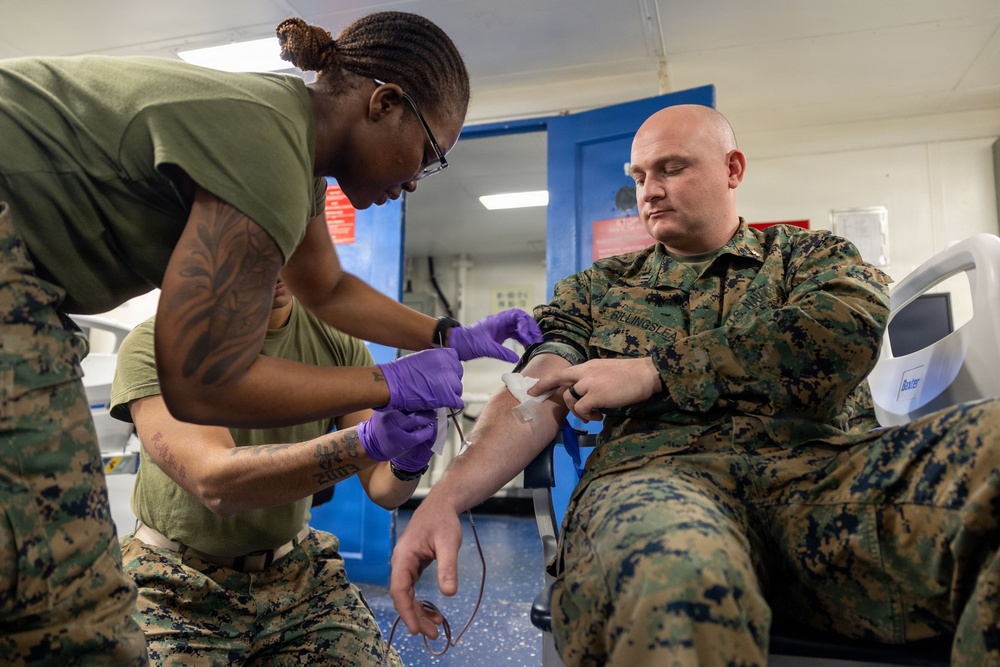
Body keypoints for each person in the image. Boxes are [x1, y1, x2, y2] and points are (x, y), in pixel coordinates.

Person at [0, 12, 540, 665]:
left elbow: (327, 288)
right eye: (429, 153)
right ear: (385, 102)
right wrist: (384, 389)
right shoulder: (264, 145)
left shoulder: (286, 142)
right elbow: (201, 380)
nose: (416, 180)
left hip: (29, 276)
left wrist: (450, 334)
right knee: (65, 620)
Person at [388, 103, 1000, 667]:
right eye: (639, 175)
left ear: (732, 168)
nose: (648, 191)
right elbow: (533, 391)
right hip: (659, 486)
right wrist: (447, 496)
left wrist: (654, 371)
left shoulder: (810, 258)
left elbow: (846, 331)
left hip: (823, 483)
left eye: (671, 168)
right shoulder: (599, 289)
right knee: (675, 571)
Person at [110, 279, 427, 666]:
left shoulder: (335, 343)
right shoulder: (157, 343)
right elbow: (217, 484)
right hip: (176, 582)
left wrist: (407, 459)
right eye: (261, 243)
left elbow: (383, 489)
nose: (275, 264)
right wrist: (365, 443)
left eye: (290, 241)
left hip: (297, 575)